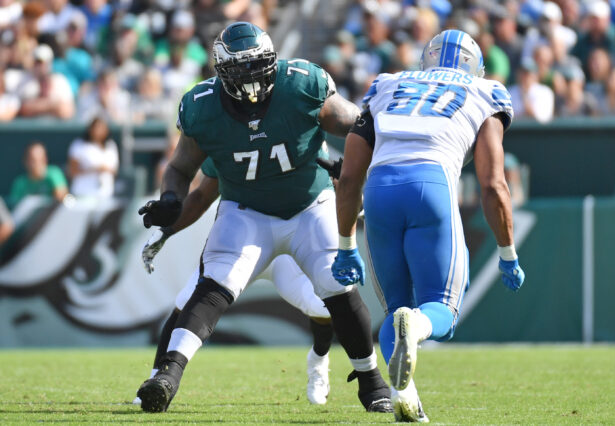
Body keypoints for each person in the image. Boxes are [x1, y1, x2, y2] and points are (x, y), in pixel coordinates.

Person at [136, 22, 393, 414]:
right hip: (246, 212)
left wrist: (354, 164)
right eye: (244, 69)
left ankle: (371, 383)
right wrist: (170, 199)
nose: (255, 78)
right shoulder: (202, 106)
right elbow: (182, 168)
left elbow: (359, 126)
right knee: (214, 284)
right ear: (223, 73)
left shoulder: (301, 84)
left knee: (335, 285)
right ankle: (166, 377)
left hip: (309, 206)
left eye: (261, 65)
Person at [333, 30, 526, 422]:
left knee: (394, 311)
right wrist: (507, 253)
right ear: (475, 66)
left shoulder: (388, 83)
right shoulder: (485, 90)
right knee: (442, 308)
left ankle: (405, 396)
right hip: (431, 184)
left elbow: (350, 176)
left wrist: (345, 244)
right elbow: (493, 183)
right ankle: (418, 324)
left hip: (380, 190)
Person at [135, 162, 334, 405]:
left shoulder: (294, 128)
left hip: (288, 246)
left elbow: (327, 175)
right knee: (187, 301)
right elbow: (201, 194)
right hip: (243, 241)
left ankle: (319, 359)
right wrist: (167, 230)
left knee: (324, 305)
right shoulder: (228, 131)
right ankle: (158, 378)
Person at [67, 116, 119, 198]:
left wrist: (105, 169)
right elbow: (72, 171)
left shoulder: (111, 145)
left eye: (102, 128)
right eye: (96, 127)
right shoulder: (79, 145)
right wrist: (95, 169)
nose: (98, 131)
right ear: (90, 129)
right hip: (82, 193)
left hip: (106, 194)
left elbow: (114, 171)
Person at [8, 141, 68, 208]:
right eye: (33, 160)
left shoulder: (54, 174)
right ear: (25, 161)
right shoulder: (20, 182)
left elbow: (62, 197)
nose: (37, 164)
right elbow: (15, 206)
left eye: (41, 159)